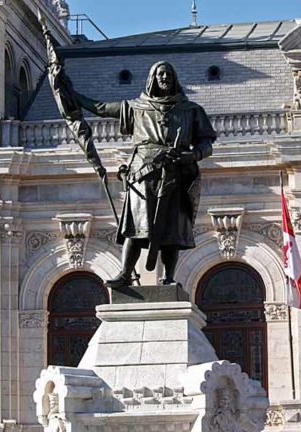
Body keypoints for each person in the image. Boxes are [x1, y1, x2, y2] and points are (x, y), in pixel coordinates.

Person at [75, 61, 216, 287]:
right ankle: (125, 273)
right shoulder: (136, 107)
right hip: (142, 175)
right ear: (152, 78)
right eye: (160, 74)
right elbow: (99, 108)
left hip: (175, 174)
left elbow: (207, 142)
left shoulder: (191, 110)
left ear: (175, 78)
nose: (164, 77)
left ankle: (168, 278)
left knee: (172, 232)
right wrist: (71, 94)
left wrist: (193, 155)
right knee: (135, 227)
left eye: (168, 73)